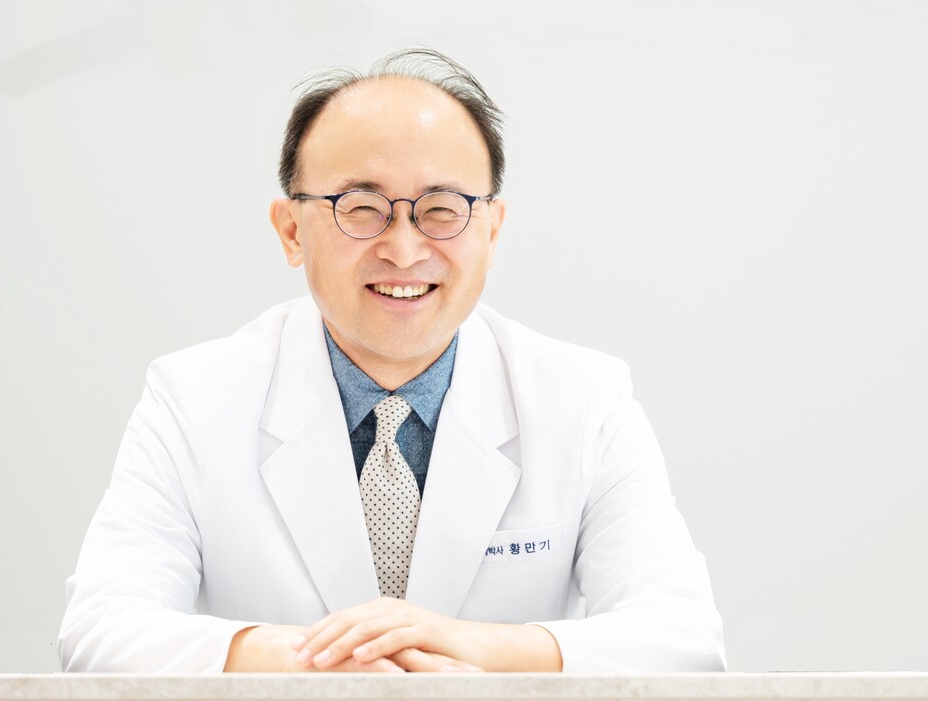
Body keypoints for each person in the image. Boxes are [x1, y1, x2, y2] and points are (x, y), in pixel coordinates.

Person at [58, 48, 726, 674]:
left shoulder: (583, 398)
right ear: (291, 231)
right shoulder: (193, 397)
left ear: (492, 230)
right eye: (361, 208)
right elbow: (99, 627)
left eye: (442, 210)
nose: (404, 250)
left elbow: (684, 635)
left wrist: (472, 646)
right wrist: (321, 659)